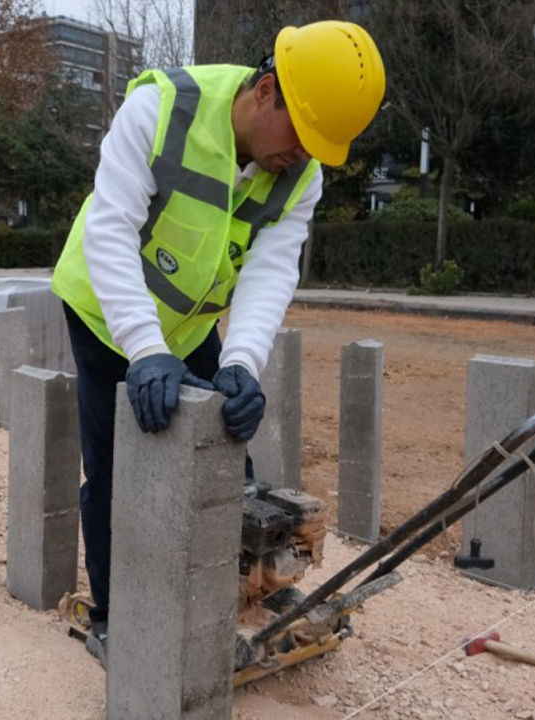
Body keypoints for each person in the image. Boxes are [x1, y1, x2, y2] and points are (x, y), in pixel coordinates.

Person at [49, 21, 386, 667]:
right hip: (104, 311)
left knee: (227, 445)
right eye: (300, 135)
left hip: (188, 326)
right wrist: (144, 349)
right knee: (118, 466)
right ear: (265, 91)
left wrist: (241, 363)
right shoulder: (159, 111)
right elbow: (111, 231)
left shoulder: (300, 175)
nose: (303, 155)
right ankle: (117, 618)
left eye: (318, 146)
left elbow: (270, 268)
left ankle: (244, 592)